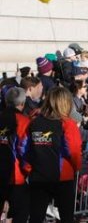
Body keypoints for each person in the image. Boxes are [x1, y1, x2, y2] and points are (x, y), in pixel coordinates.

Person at [18, 86, 83, 223]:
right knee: (66, 217)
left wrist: (29, 168)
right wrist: (77, 168)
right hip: (62, 178)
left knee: (36, 217)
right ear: (66, 103)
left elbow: (23, 148)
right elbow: (74, 150)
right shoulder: (68, 124)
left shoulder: (33, 121)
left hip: (39, 176)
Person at [1, 88, 31, 223]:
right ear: (22, 103)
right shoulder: (24, 121)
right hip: (15, 174)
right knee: (21, 212)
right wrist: (29, 170)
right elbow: (24, 150)